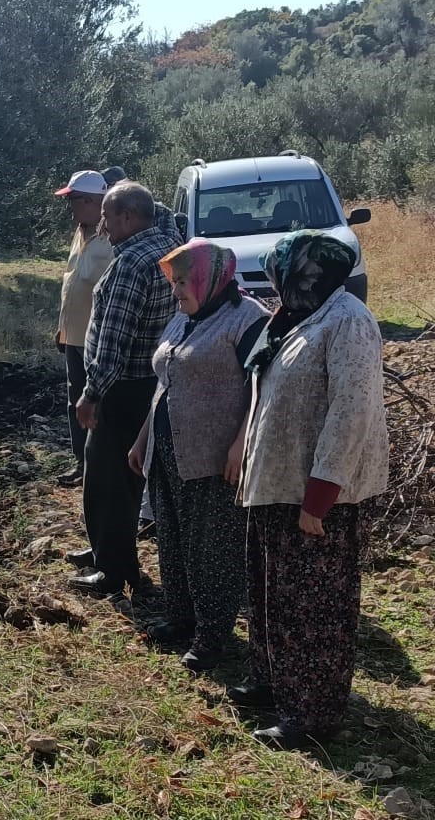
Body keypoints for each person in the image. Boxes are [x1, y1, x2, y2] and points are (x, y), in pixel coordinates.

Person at [227, 230, 388, 749]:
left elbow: (350, 411)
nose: (275, 287)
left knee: (313, 608)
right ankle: (276, 681)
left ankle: (313, 712)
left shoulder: (347, 322)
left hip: (316, 495)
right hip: (277, 482)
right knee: (273, 593)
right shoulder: (295, 318)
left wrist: (321, 494)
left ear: (305, 274)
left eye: (280, 276)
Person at [128, 239, 266, 671]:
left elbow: (264, 387)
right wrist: (143, 438)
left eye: (184, 281)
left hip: (212, 454)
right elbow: (166, 381)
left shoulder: (247, 320)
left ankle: (212, 634)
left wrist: (242, 442)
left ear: (210, 277)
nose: (176, 290)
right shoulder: (184, 317)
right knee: (171, 536)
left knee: (212, 546)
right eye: (174, 282)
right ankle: (181, 616)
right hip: (168, 449)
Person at [67, 181, 181, 597]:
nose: (103, 225)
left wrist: (91, 392)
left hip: (121, 387)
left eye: (109, 217)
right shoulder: (167, 243)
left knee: (107, 480)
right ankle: (108, 551)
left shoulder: (132, 263)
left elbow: (115, 337)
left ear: (129, 217)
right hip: (149, 384)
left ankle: (113, 571)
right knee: (129, 480)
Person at [54, 170, 115, 486]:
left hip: (99, 342)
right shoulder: (81, 233)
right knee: (74, 400)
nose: (71, 208)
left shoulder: (112, 238)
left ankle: (99, 468)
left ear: (93, 202)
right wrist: (61, 328)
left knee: (97, 405)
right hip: (73, 338)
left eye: (74, 200)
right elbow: (72, 281)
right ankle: (83, 465)